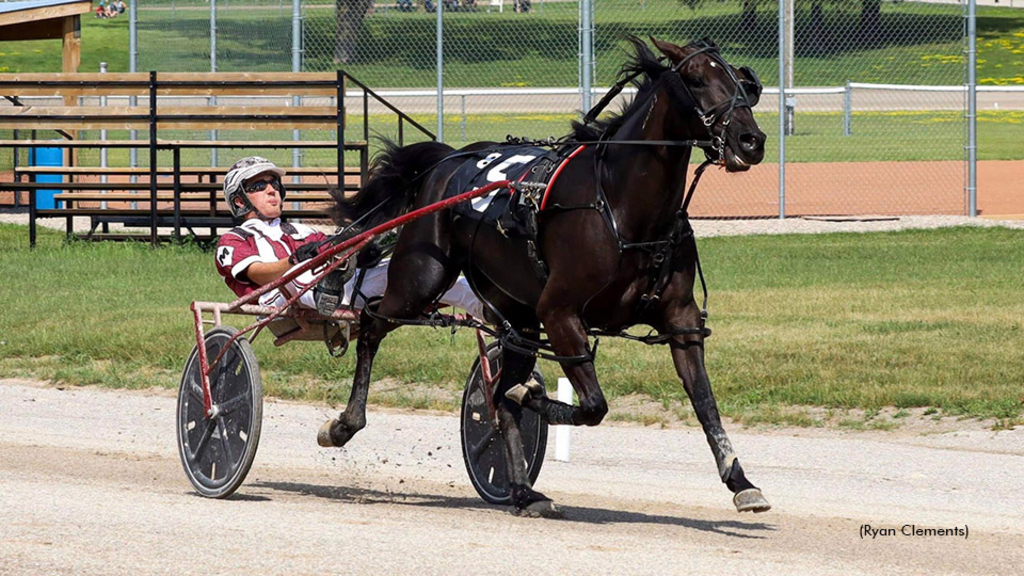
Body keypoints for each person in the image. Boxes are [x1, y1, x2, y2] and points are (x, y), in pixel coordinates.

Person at [214, 156, 484, 319]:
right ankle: (326, 286)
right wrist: (296, 260)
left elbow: (332, 250)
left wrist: (356, 248)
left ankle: (497, 314)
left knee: (428, 274)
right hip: (284, 295)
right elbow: (258, 274)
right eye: (259, 186)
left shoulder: (302, 230)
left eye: (275, 183)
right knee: (303, 273)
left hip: (340, 286)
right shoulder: (233, 240)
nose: (272, 190)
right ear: (239, 200)